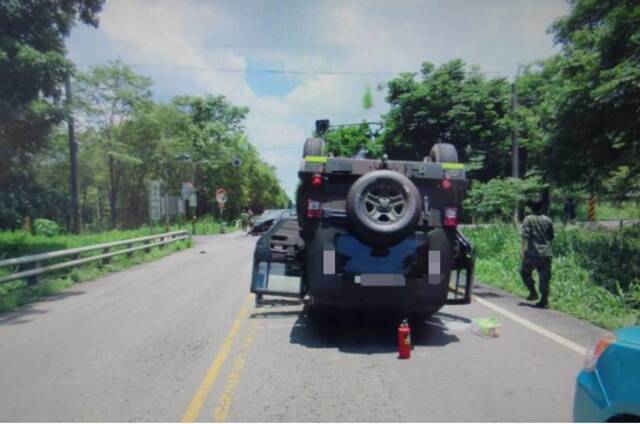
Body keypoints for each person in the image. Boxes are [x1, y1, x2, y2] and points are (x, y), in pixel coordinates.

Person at [520, 199, 554, 308]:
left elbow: (525, 236)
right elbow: (551, 237)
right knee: (545, 278)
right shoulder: (548, 219)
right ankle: (544, 300)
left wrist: (523, 250)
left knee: (525, 272)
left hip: (533, 253)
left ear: (531, 208)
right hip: (546, 253)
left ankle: (533, 292)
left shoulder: (528, 219)